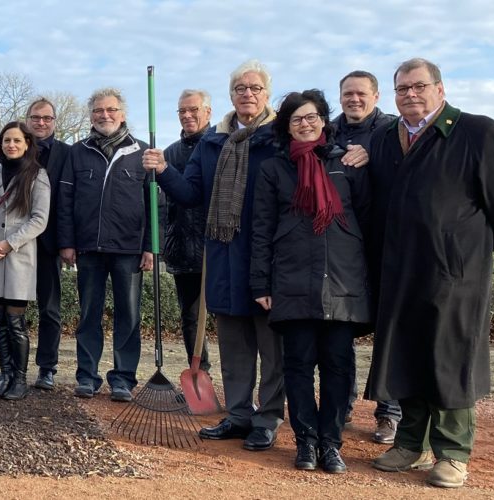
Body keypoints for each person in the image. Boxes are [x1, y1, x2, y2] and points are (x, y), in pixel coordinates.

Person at [364, 58, 494, 489]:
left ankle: (452, 453)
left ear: (440, 89)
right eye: (402, 88)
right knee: (407, 356)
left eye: (419, 86)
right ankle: (409, 444)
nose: (410, 94)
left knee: (449, 360)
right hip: (400, 270)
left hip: (455, 275)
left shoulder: (476, 132)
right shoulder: (386, 139)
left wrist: (461, 251)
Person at [142, 60, 286, 451]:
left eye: (255, 87)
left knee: (272, 345)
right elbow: (190, 194)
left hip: (267, 253)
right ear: (231, 95)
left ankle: (268, 417)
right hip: (222, 254)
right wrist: (164, 170)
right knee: (235, 344)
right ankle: (239, 414)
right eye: (240, 88)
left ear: (266, 93)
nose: (247, 94)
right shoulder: (212, 143)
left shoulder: (280, 137)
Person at [251, 90, 372, 474]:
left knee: (338, 365)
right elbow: (261, 229)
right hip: (292, 279)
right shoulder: (274, 169)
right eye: (297, 119)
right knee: (299, 365)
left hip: (342, 279)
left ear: (324, 120)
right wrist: (261, 283)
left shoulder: (347, 163)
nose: (306, 124)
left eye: (312, 116)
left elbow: (368, 220)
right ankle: (306, 441)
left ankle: (331, 443)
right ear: (286, 127)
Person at [57, 87, 153, 402]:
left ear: (122, 115)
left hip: (129, 250)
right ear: (91, 116)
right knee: (88, 314)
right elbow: (65, 200)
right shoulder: (77, 151)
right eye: (98, 110)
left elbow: (155, 205)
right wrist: (67, 242)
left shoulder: (143, 152)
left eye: (111, 110)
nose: (104, 115)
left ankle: (123, 379)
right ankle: (87, 376)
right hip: (88, 248)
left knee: (128, 314)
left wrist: (151, 246)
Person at [331, 70, 401, 444]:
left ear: (375, 96)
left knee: (387, 333)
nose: (353, 99)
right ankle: (340, 407)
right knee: (341, 331)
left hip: (383, 244)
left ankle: (389, 413)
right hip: (342, 247)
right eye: (347, 93)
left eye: (360, 93)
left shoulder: (391, 131)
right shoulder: (328, 131)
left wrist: (371, 153)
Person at [0, 98, 72, 390]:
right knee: (3, 314)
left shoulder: (64, 155)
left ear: (54, 121)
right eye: (36, 118)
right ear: (28, 120)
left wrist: (67, 241)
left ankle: (45, 368)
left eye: (47, 118)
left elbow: (64, 203)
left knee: (48, 309)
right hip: (3, 249)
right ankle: (8, 372)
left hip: (45, 244)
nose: (41, 122)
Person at [0, 121, 50, 400]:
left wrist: (10, 243)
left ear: (27, 143)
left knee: (15, 321)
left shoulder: (37, 175)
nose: (11, 145)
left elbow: (39, 219)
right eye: (7, 140)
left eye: (17, 140)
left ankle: (19, 378)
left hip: (19, 256)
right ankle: (5, 374)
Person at [163, 89, 213, 373]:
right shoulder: (170, 153)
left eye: (193, 109)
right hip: (183, 246)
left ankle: (238, 384)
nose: (187, 115)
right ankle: (199, 373)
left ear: (208, 111)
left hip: (215, 245)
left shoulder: (220, 145)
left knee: (233, 319)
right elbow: (162, 205)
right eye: (182, 111)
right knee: (190, 317)